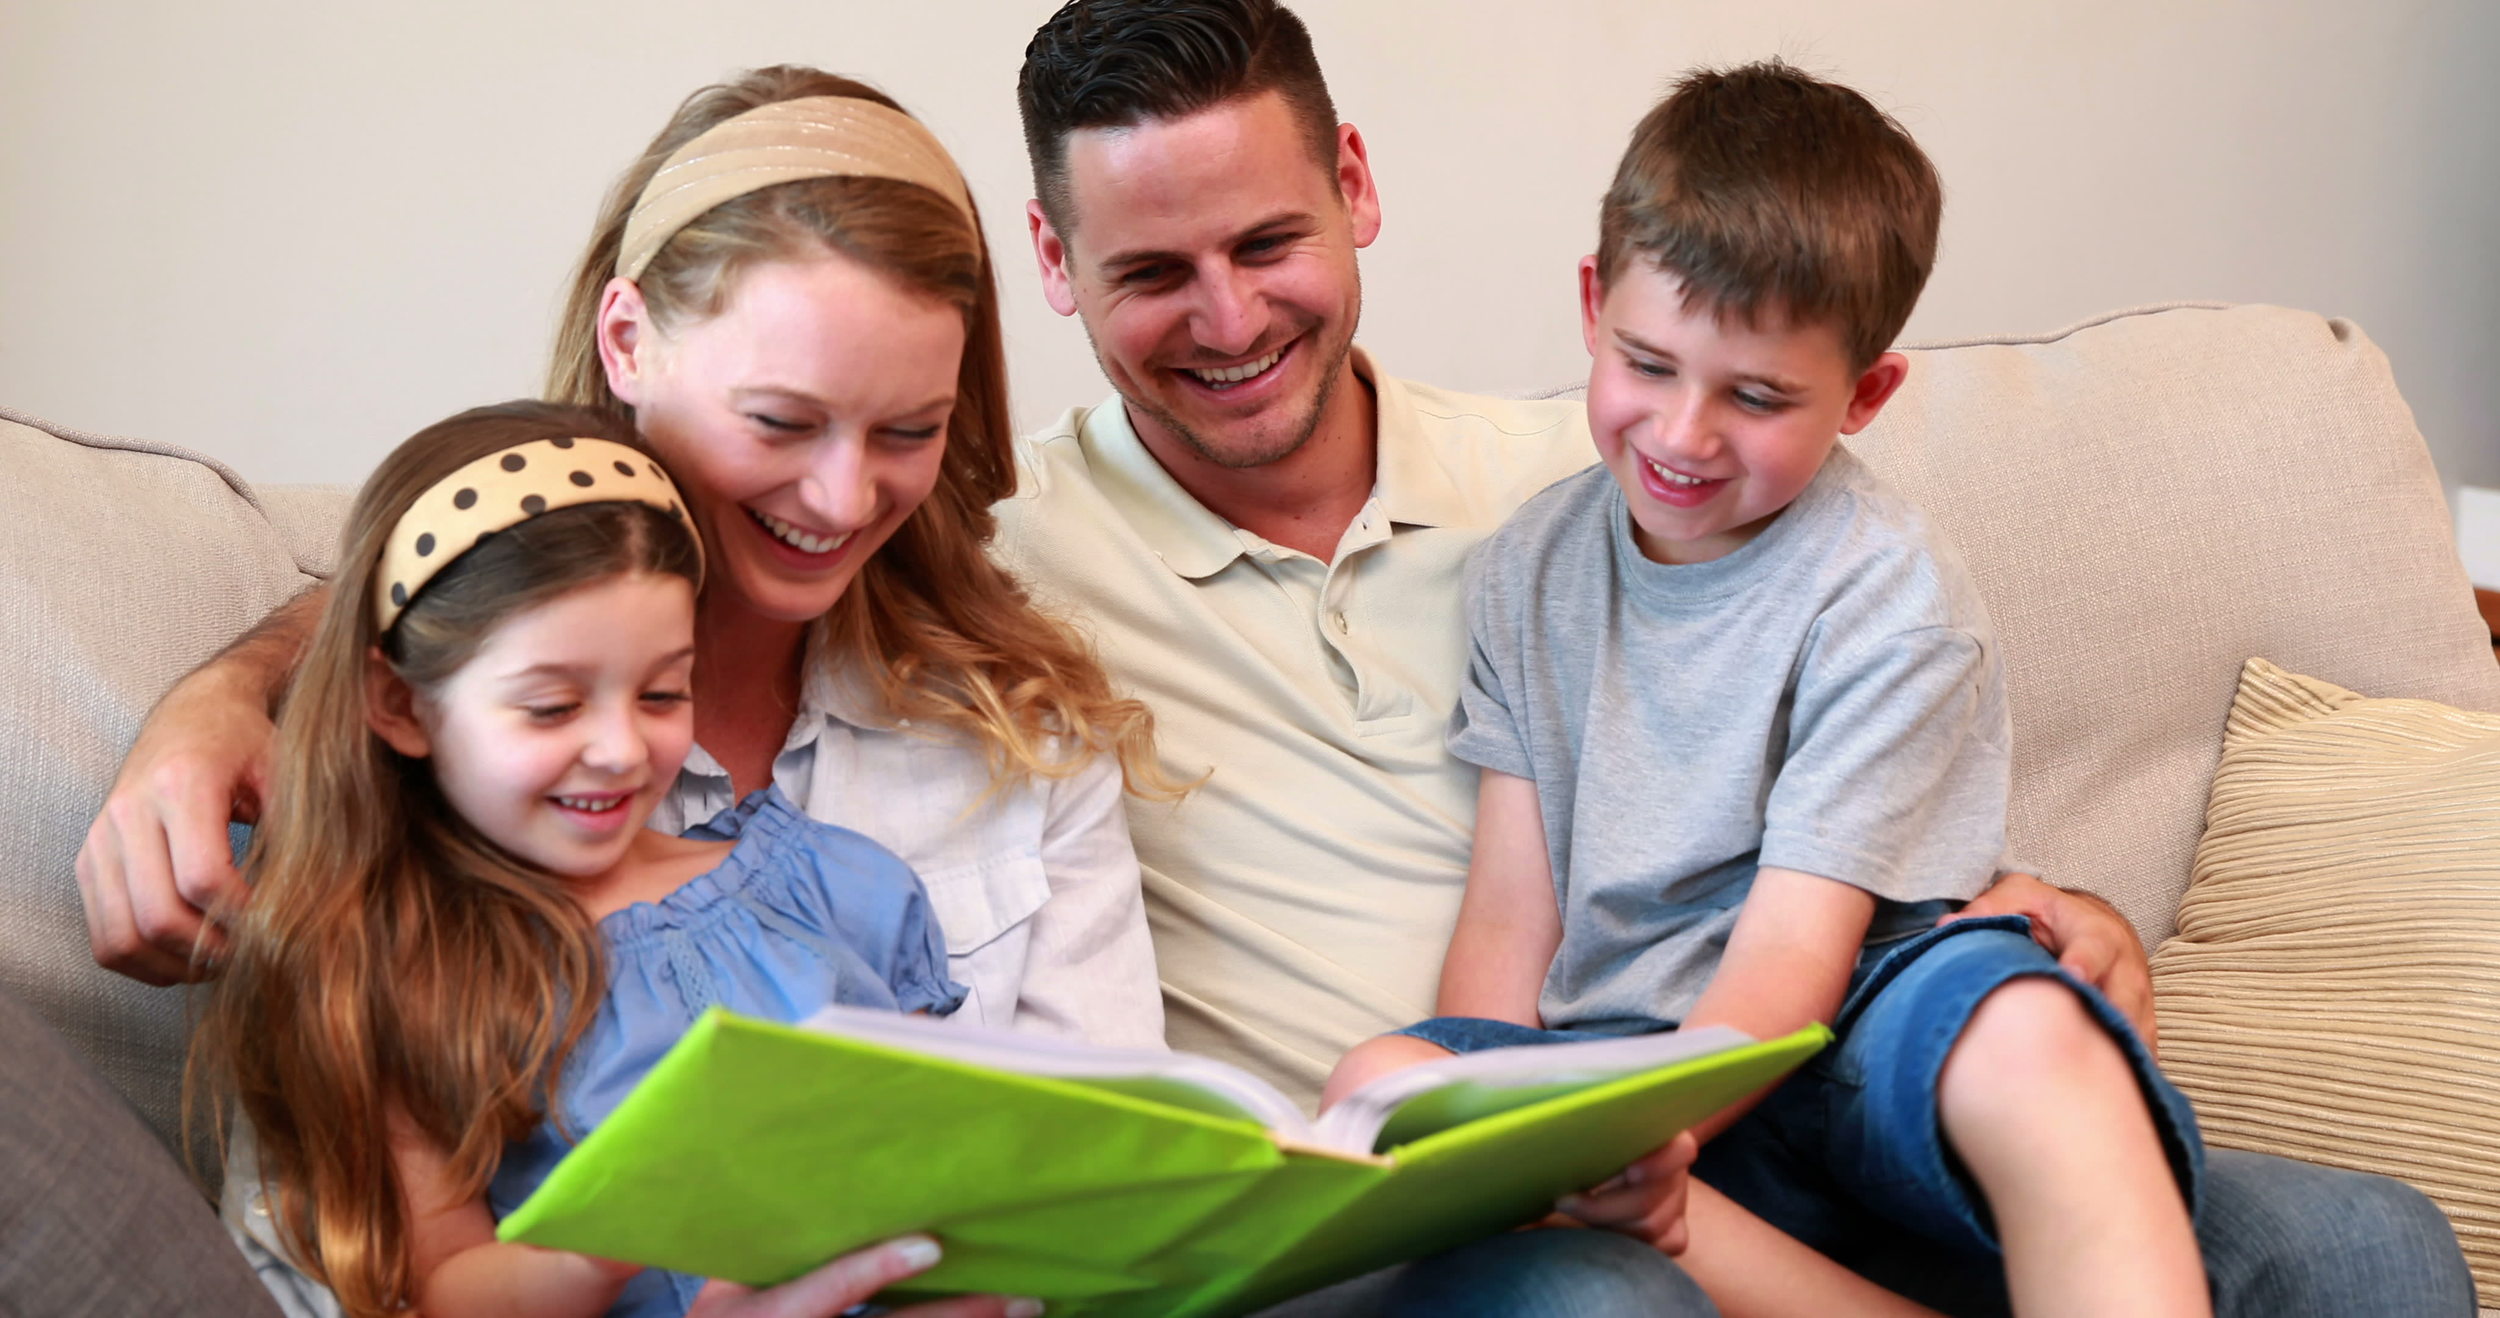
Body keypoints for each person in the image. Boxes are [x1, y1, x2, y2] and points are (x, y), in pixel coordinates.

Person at [66, 64, 1699, 1318]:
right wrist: (225, 690)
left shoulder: (1015, 707)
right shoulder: (462, 754)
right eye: (780, 422)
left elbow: (1101, 1138)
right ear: (629, 337)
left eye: (905, 432)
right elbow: (398, 601)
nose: (843, 498)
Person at [999, 1, 2474, 1314]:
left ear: (1356, 190)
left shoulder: (1574, 474)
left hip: (1794, 1049)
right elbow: (1501, 936)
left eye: (1266, 243)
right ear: (1055, 262)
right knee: (1563, 1258)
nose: (1231, 317)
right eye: (1154, 271)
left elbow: (1845, 894)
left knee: (2355, 1239)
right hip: (1522, 1137)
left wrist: (2069, 911)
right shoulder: (989, 580)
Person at [1329, 63, 2208, 1317]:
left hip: (1847, 1038)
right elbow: (1509, 919)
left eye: (1755, 397)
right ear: (1591, 305)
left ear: (1864, 394)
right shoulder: (1528, 568)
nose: (1684, 436)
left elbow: (1795, 957)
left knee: (2029, 1032)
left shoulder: (1884, 590)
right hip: (1618, 1063)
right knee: (1386, 1080)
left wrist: (1637, 1128)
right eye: (1648, 363)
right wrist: (1505, 1106)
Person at [194, 399, 1001, 1318]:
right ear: (400, 705)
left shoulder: (833, 885)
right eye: (552, 707)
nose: (620, 749)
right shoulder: (398, 972)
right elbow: (447, 1284)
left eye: (663, 692)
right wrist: (613, 1237)